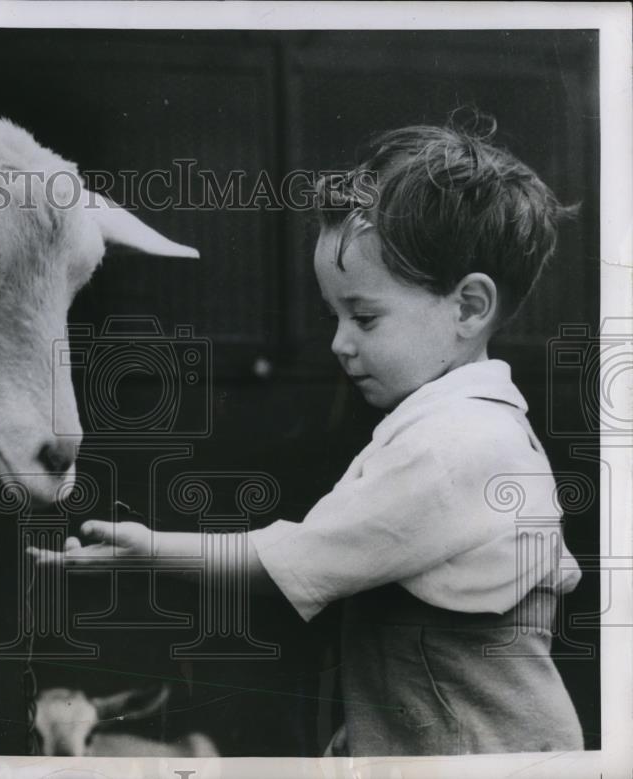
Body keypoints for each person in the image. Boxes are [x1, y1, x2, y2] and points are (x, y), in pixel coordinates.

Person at [29, 122, 584, 756]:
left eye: (365, 316)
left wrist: (152, 549)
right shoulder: (468, 424)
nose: (340, 343)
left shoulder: (455, 444)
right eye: (335, 316)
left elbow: (295, 560)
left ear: (468, 308)